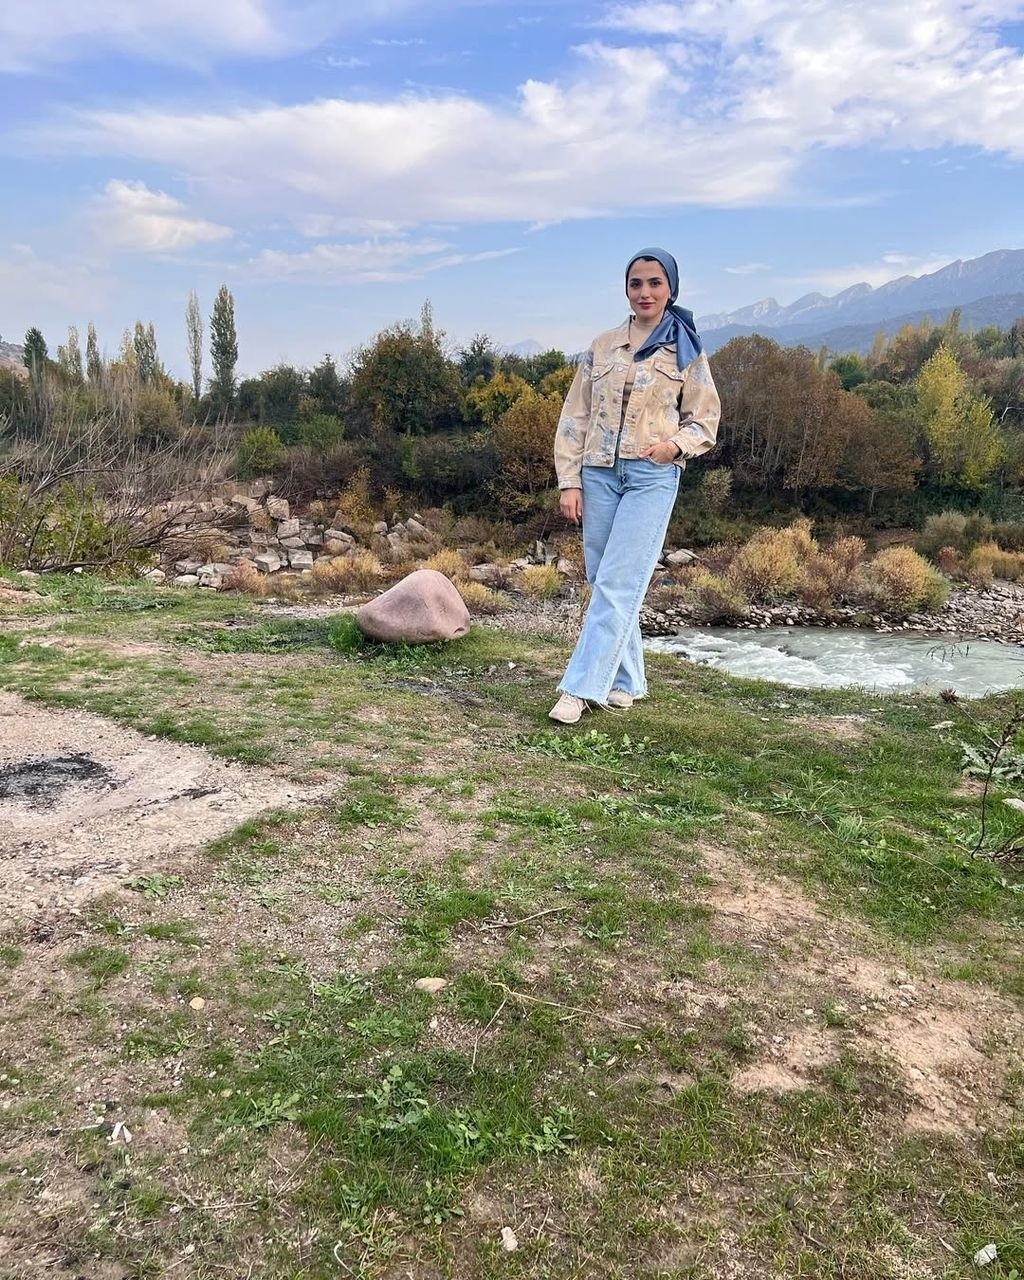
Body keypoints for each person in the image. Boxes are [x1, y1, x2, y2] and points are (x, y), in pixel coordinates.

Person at [549, 247, 721, 725]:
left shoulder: (687, 350)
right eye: (636, 283)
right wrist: (569, 482)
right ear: (626, 289)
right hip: (598, 473)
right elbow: (574, 417)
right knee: (602, 580)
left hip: (651, 477)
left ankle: (580, 688)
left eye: (654, 283)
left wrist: (673, 447)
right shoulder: (602, 346)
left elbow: (705, 420)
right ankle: (627, 681)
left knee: (619, 584)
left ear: (671, 289)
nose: (645, 292)